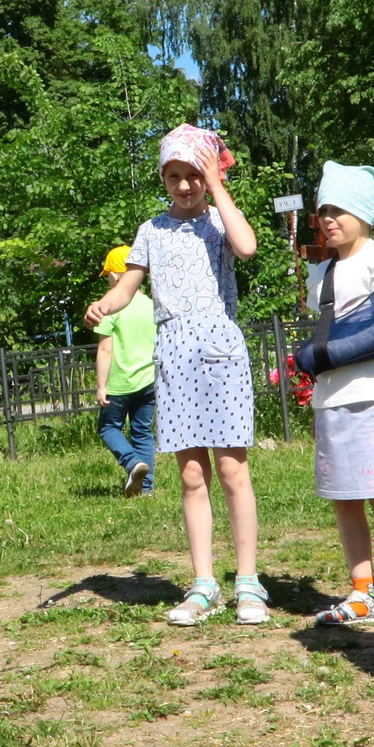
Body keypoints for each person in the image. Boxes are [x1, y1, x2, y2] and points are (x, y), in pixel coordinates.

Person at [84, 125, 262, 627]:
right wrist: (104, 305)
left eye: (193, 175)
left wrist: (219, 184)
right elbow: (127, 290)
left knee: (232, 470)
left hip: (221, 349)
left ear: (208, 175)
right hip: (175, 353)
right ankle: (203, 583)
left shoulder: (220, 221)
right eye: (174, 176)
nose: (184, 186)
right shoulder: (150, 230)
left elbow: (246, 247)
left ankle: (247, 582)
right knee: (190, 474)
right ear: (163, 178)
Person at [290, 162, 374, 637]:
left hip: (373, 398)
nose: (328, 219)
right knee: (344, 498)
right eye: (323, 210)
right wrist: (313, 359)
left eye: (339, 210)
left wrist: (316, 355)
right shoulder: (319, 272)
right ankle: (362, 592)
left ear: (363, 213)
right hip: (331, 402)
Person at [91, 244, 156, 498]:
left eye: (108, 274)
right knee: (142, 431)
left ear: (117, 276)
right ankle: (146, 488)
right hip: (147, 381)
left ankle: (131, 463)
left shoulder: (109, 308)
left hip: (119, 384)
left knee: (108, 429)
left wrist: (101, 386)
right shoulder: (151, 305)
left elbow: (105, 351)